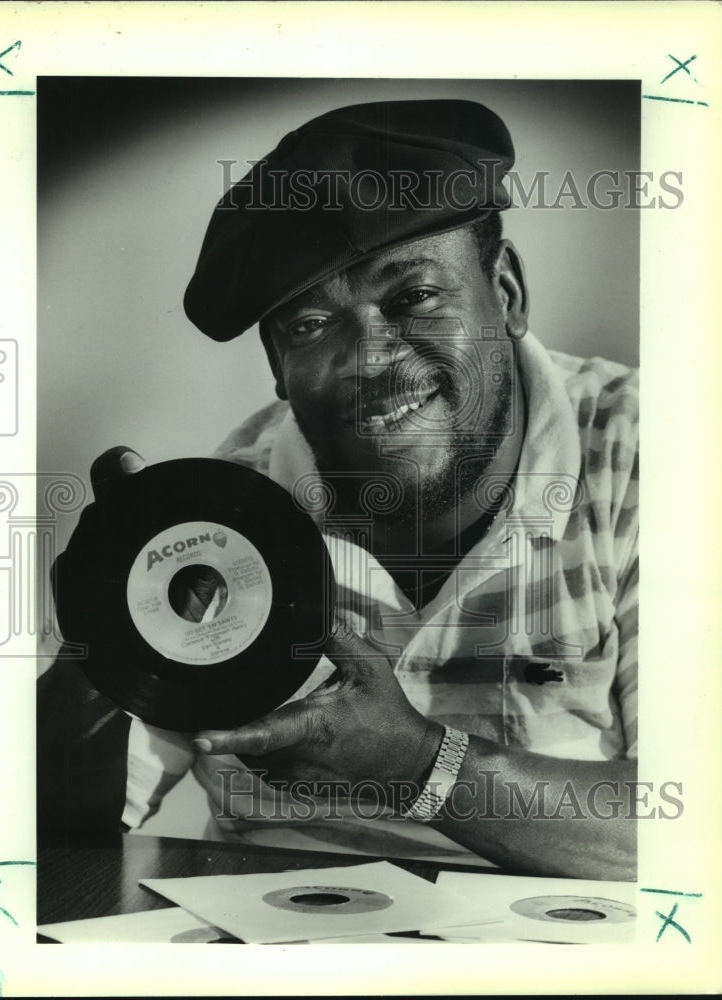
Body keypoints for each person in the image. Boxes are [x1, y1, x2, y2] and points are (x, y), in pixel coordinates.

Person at [38, 99, 638, 879]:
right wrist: (94, 656)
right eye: (312, 324)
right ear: (276, 366)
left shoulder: (659, 459)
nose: (372, 357)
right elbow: (53, 829)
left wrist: (421, 768)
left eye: (413, 296)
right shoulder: (224, 512)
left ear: (508, 291)